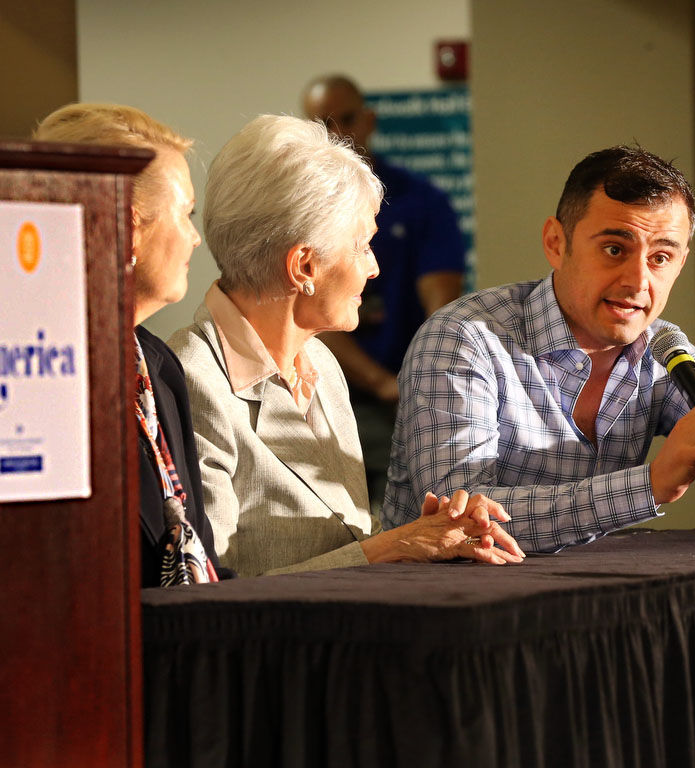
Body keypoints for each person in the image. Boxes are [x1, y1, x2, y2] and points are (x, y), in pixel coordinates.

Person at [382, 144, 695, 553]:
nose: (638, 281)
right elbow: (461, 518)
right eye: (614, 249)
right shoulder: (461, 338)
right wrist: (648, 486)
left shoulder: (663, 350)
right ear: (556, 243)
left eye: (662, 257)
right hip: (443, 613)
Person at [167, 115, 524, 577]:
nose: (373, 269)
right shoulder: (190, 380)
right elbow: (206, 590)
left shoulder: (320, 363)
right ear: (304, 266)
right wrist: (391, 547)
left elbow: (342, 538)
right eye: (361, 247)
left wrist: (430, 533)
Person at [33, 103, 225, 587]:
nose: (195, 238)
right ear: (126, 225)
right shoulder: (41, 370)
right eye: (185, 215)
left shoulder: (158, 366)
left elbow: (199, 551)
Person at [302, 74, 467, 509]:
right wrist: (378, 383)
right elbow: (307, 309)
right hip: (329, 384)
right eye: (323, 125)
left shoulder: (421, 200)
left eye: (347, 119)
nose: (338, 135)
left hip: (411, 388)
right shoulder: (301, 211)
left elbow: (442, 302)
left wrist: (421, 375)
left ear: (370, 120)